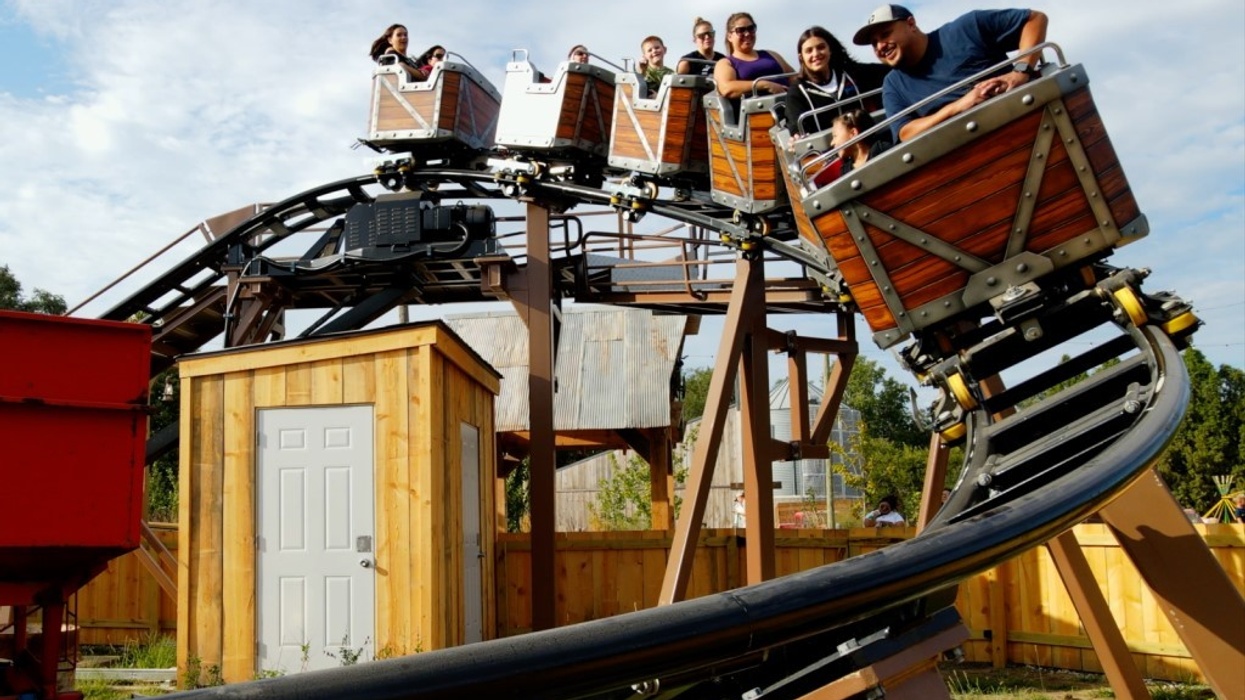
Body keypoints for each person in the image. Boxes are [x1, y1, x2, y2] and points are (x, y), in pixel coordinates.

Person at [852, 4, 1048, 142]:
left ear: (911, 24)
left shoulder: (966, 27)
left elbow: (1034, 19)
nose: (880, 47)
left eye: (885, 34)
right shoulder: (893, 85)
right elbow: (905, 132)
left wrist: (1020, 71)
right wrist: (959, 106)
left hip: (1027, 125)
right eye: (873, 43)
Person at [785, 26, 889, 137]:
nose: (815, 54)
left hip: (870, 141)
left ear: (830, 50)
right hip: (832, 151)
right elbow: (795, 122)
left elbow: (887, 72)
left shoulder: (850, 73)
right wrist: (796, 134)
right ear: (801, 57)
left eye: (821, 47)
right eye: (809, 51)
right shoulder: (798, 92)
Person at [714, 12, 794, 100]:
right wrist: (765, 85)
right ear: (729, 36)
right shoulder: (725, 63)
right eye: (740, 30)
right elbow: (727, 88)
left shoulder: (772, 55)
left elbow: (794, 77)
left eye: (751, 28)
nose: (747, 33)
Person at [830, 109, 890, 175]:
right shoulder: (845, 171)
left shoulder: (882, 150)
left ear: (853, 133)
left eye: (835, 136)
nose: (832, 143)